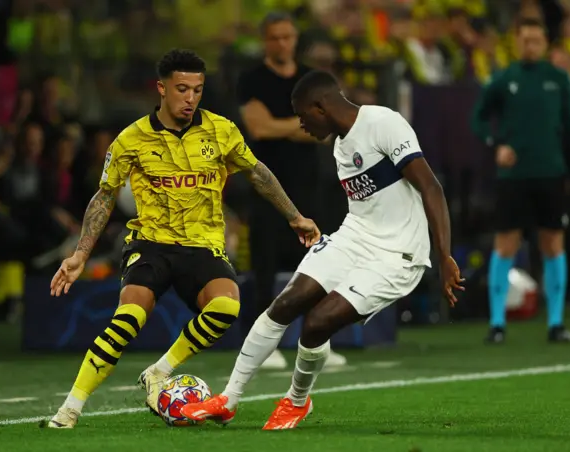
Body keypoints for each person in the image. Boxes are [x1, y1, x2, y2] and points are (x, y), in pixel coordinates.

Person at [46, 49, 320, 429]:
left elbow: (256, 173)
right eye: (181, 89)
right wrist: (80, 254)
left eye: (197, 89)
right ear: (161, 89)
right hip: (150, 245)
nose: (190, 98)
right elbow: (104, 196)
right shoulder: (132, 139)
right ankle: (70, 409)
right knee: (129, 317)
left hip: (202, 245)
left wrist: (295, 216)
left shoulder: (221, 131)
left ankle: (159, 370)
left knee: (227, 308)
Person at [180, 70, 464, 430]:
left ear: (320, 107)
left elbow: (431, 187)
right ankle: (228, 399)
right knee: (284, 304)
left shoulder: (383, 122)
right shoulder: (340, 145)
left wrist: (444, 256)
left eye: (302, 117)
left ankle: (297, 401)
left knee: (317, 323)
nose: (302, 126)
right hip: (355, 237)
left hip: (398, 253)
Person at [471, 18, 570, 344]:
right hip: (513, 176)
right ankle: (497, 323)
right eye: (525, 40)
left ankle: (556, 322)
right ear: (516, 41)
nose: (531, 46)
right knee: (506, 243)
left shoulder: (558, 79)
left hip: (551, 172)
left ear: (545, 44)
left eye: (536, 41)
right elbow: (479, 118)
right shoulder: (504, 79)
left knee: (553, 243)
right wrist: (496, 144)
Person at [237, 11, 345, 369]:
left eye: (287, 37)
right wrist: (297, 124)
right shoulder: (252, 79)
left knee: (316, 262)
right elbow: (258, 129)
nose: (282, 43)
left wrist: (277, 123)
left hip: (309, 183)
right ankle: (263, 347)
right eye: (275, 37)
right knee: (265, 264)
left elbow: (325, 126)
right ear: (266, 40)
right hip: (266, 183)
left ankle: (315, 342)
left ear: (295, 39)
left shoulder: (311, 79)